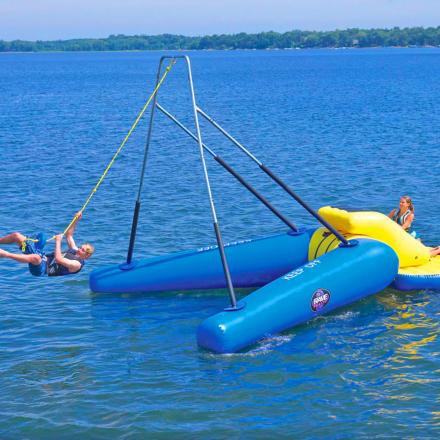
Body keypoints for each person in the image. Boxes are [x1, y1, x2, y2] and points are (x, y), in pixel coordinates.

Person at [0, 212, 94, 276]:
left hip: (41, 269)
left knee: (35, 257)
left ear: (86, 255)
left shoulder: (76, 264)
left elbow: (59, 259)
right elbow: (69, 235)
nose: (79, 248)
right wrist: (76, 219)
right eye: (81, 246)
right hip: (42, 256)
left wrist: (58, 241)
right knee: (17, 236)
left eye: (82, 249)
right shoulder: (74, 250)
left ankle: (4, 254)